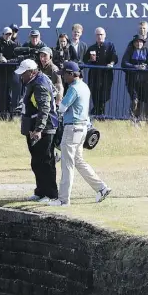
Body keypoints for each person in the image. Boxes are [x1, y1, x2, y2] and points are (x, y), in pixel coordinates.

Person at [48, 61, 112, 206]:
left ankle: (64, 200)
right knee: (78, 161)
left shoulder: (73, 88)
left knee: (67, 163)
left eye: (64, 74)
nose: (63, 77)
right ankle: (101, 188)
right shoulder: (84, 86)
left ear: (72, 74)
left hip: (72, 129)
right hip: (82, 128)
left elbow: (62, 108)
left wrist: (56, 98)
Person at [15, 59, 59, 202]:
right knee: (37, 162)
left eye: (23, 73)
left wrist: (39, 129)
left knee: (45, 162)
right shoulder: (34, 81)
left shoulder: (39, 84)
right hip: (34, 127)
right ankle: (40, 191)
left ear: (32, 72)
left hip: (44, 129)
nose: (21, 76)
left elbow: (44, 108)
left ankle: (50, 194)